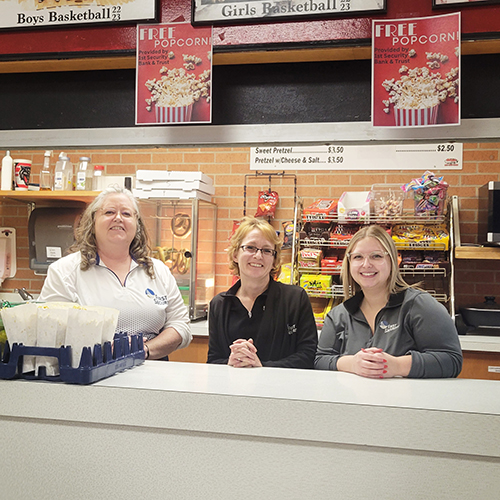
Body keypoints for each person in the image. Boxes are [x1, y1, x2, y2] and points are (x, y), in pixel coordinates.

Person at [39, 185, 191, 360]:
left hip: (152, 371)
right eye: (109, 212)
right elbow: (49, 329)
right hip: (90, 373)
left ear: (137, 225)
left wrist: (144, 350)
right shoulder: (64, 271)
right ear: (92, 221)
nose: (118, 218)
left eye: (126, 214)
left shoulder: (158, 271)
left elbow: (180, 325)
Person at [315, 224, 462, 378]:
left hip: (406, 401)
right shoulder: (339, 315)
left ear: (393, 261)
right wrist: (352, 364)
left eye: (376, 256)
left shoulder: (419, 306)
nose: (366, 264)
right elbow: (320, 360)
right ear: (349, 263)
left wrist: (397, 366)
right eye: (358, 257)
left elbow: (451, 360)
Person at [208, 216, 317, 368]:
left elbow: (308, 355)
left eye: (266, 250)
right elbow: (213, 360)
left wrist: (261, 366)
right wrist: (230, 362)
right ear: (235, 254)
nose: (258, 256)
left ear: (274, 259)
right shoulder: (219, 305)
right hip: (233, 390)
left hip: (282, 389)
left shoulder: (295, 299)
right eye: (250, 247)